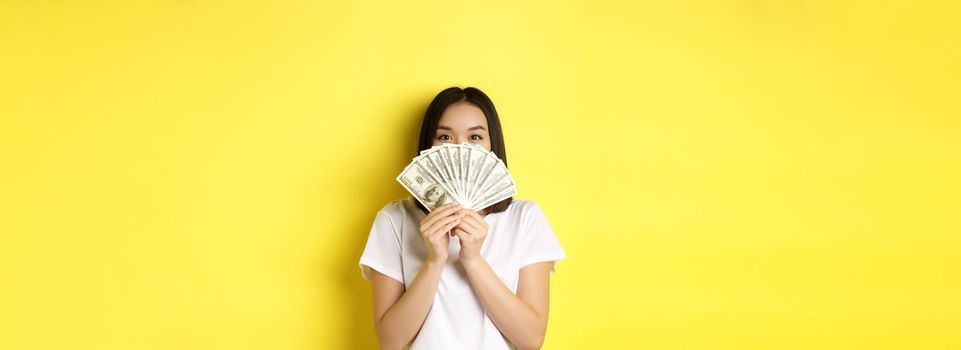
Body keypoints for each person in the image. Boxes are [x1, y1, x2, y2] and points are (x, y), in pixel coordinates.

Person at [358, 86, 567, 350]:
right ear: (428, 146)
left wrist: (473, 260)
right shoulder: (394, 219)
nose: (459, 148)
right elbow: (391, 342)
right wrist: (435, 260)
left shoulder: (524, 218)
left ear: (492, 146)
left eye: (475, 137)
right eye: (444, 136)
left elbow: (531, 340)